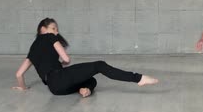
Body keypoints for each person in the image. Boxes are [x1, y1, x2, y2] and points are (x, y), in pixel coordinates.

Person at [13, 18, 158, 96]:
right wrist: (63, 62)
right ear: (43, 29)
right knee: (100, 65)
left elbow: (19, 74)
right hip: (59, 77)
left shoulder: (32, 49)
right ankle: (139, 78)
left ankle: (85, 90)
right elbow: (67, 59)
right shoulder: (50, 37)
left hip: (55, 90)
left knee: (91, 80)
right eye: (53, 28)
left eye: (57, 30)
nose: (56, 32)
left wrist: (23, 88)